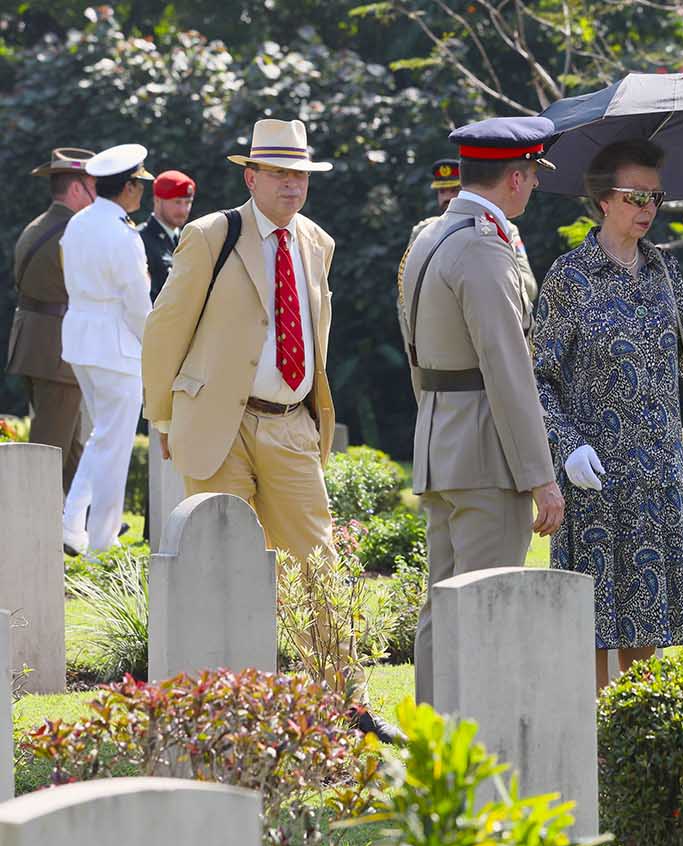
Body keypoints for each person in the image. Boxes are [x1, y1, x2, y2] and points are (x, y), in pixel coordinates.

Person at [141, 118, 395, 740]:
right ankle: (220, 715)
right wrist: (162, 415)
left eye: (300, 174)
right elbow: (165, 328)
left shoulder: (316, 242)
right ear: (250, 177)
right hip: (217, 424)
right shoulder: (211, 234)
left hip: (291, 424)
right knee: (222, 562)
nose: (291, 185)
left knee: (318, 564)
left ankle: (347, 708)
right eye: (278, 173)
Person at [534, 137, 683, 692]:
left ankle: (633, 732)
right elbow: (537, 378)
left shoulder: (663, 269)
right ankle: (589, 733)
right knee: (592, 625)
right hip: (595, 476)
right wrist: (566, 445)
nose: (648, 209)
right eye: (635, 196)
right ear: (603, 200)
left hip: (657, 473)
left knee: (648, 622)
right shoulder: (570, 277)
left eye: (655, 198)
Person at [399, 118, 565, 707]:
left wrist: (436, 421)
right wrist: (540, 475)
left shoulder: (432, 233)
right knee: (487, 606)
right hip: (486, 450)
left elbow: (415, 350)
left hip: (442, 435)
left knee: (443, 605)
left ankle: (434, 738)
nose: (536, 186)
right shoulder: (482, 245)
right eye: (533, 175)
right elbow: (507, 366)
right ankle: (478, 739)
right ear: (515, 178)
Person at [58, 144, 154, 556]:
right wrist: (156, 347)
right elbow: (137, 304)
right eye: (139, 184)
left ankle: (71, 524)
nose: (142, 191)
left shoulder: (78, 222)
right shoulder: (122, 234)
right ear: (128, 187)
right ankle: (101, 540)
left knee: (103, 438)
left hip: (82, 340)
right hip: (116, 345)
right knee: (113, 444)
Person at [7, 148, 95, 492]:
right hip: (60, 351)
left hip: (36, 345)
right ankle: (30, 514)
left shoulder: (38, 225)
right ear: (75, 188)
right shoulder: (73, 232)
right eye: (93, 187)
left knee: (68, 445)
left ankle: (74, 514)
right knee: (48, 451)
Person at [409, 157, 539, 329]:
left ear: (467, 190)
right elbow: (407, 298)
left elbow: (529, 288)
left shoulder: (502, 229)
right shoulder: (423, 232)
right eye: (442, 191)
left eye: (454, 190)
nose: (447, 197)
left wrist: (491, 271)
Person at [139, 170, 196, 301]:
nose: (183, 210)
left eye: (188, 202)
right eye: (177, 202)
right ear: (157, 200)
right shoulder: (140, 239)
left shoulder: (188, 239)